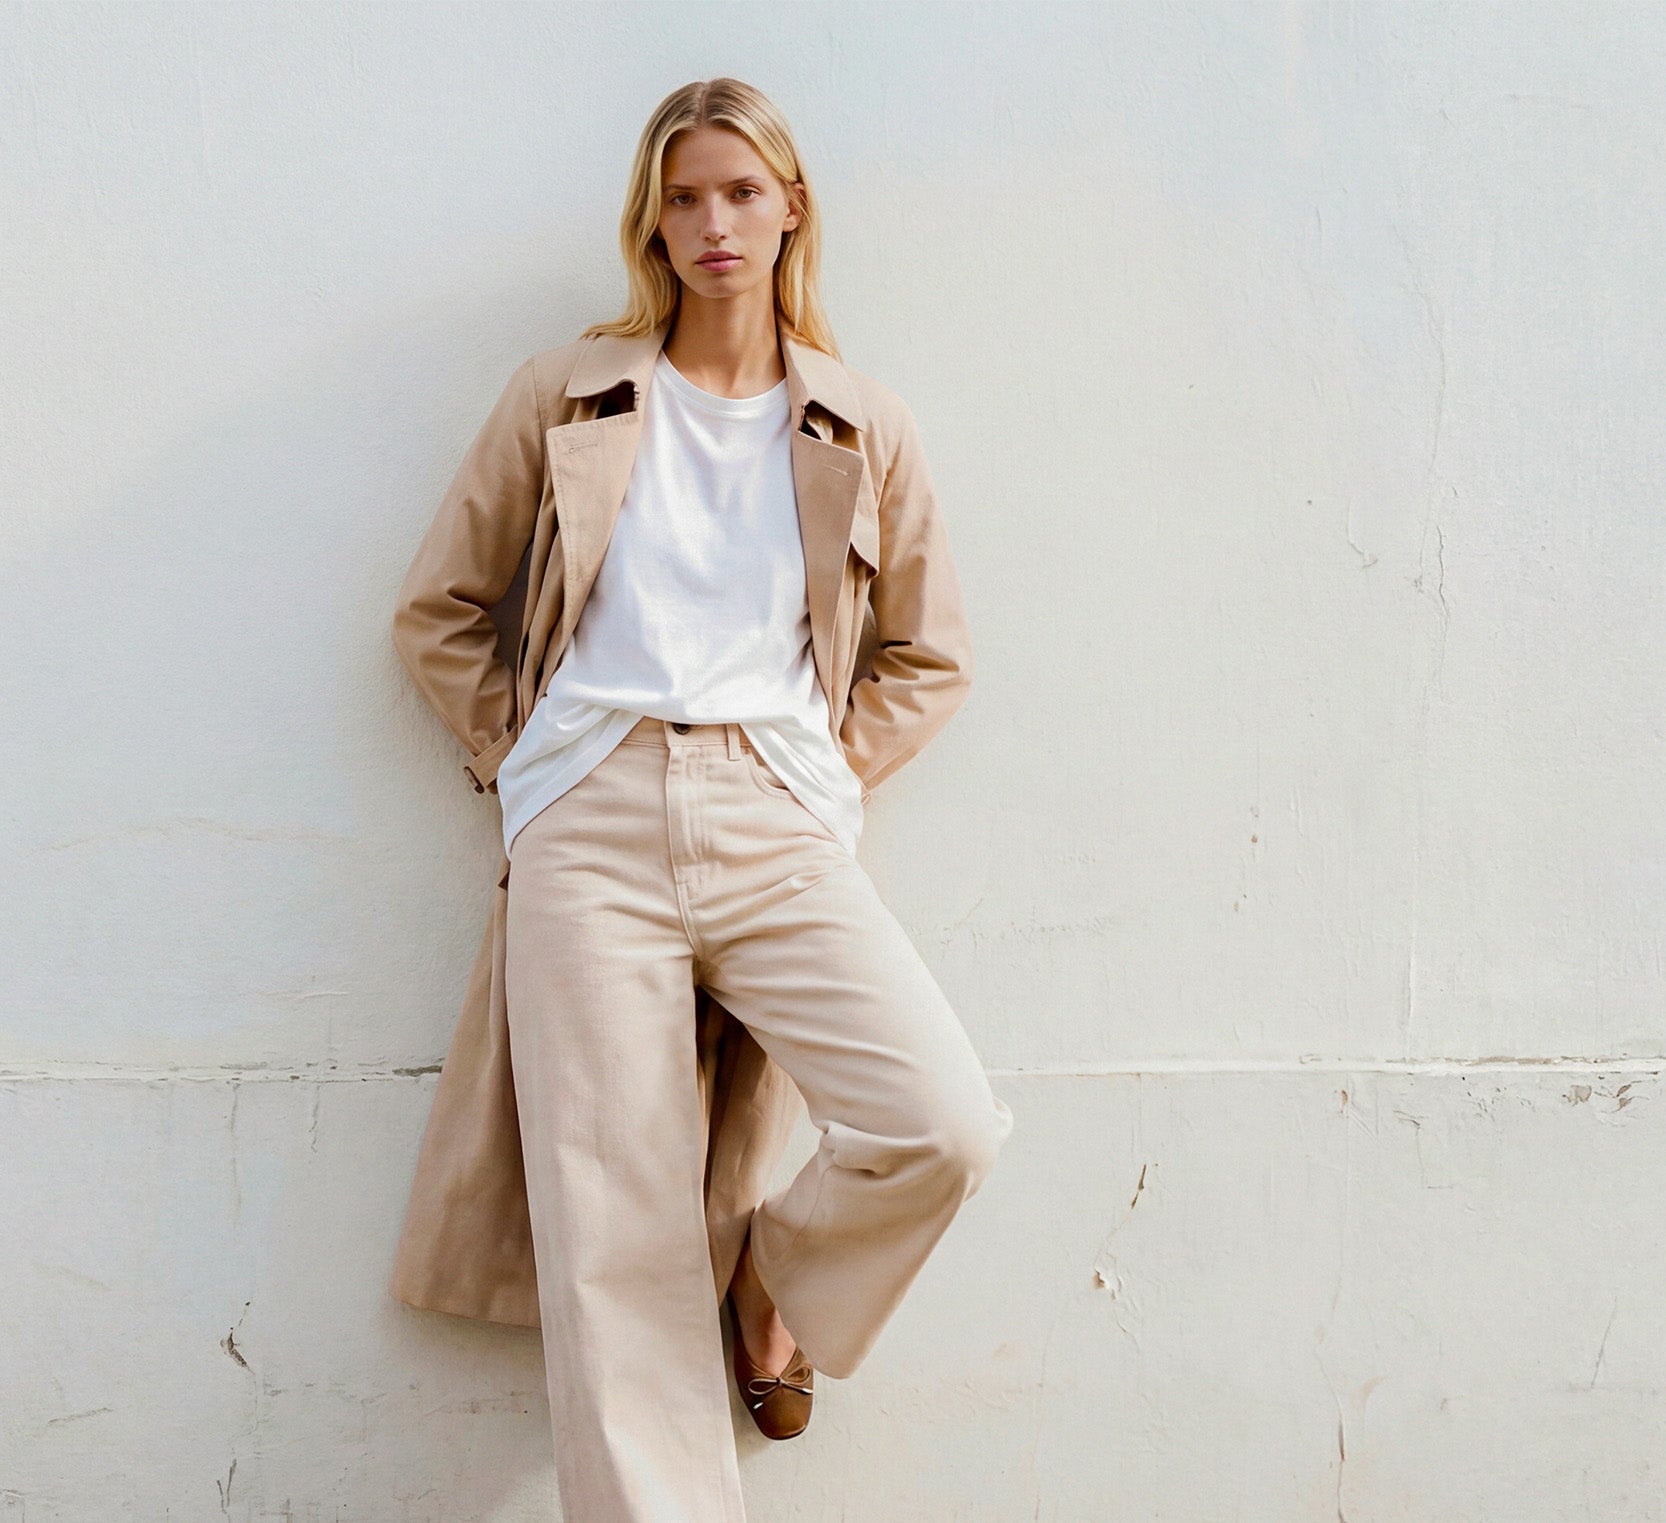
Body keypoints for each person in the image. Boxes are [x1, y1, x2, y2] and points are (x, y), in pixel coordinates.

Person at [391, 75, 1012, 1523]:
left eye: (740, 191)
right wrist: (529, 767)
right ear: (651, 224)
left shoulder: (859, 423)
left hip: (775, 823)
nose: (714, 222)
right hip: (591, 823)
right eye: (683, 198)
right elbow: (438, 612)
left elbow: (929, 654)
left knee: (939, 1124)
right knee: (614, 1238)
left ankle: (775, 1276)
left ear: (791, 207)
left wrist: (822, 775)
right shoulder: (566, 394)